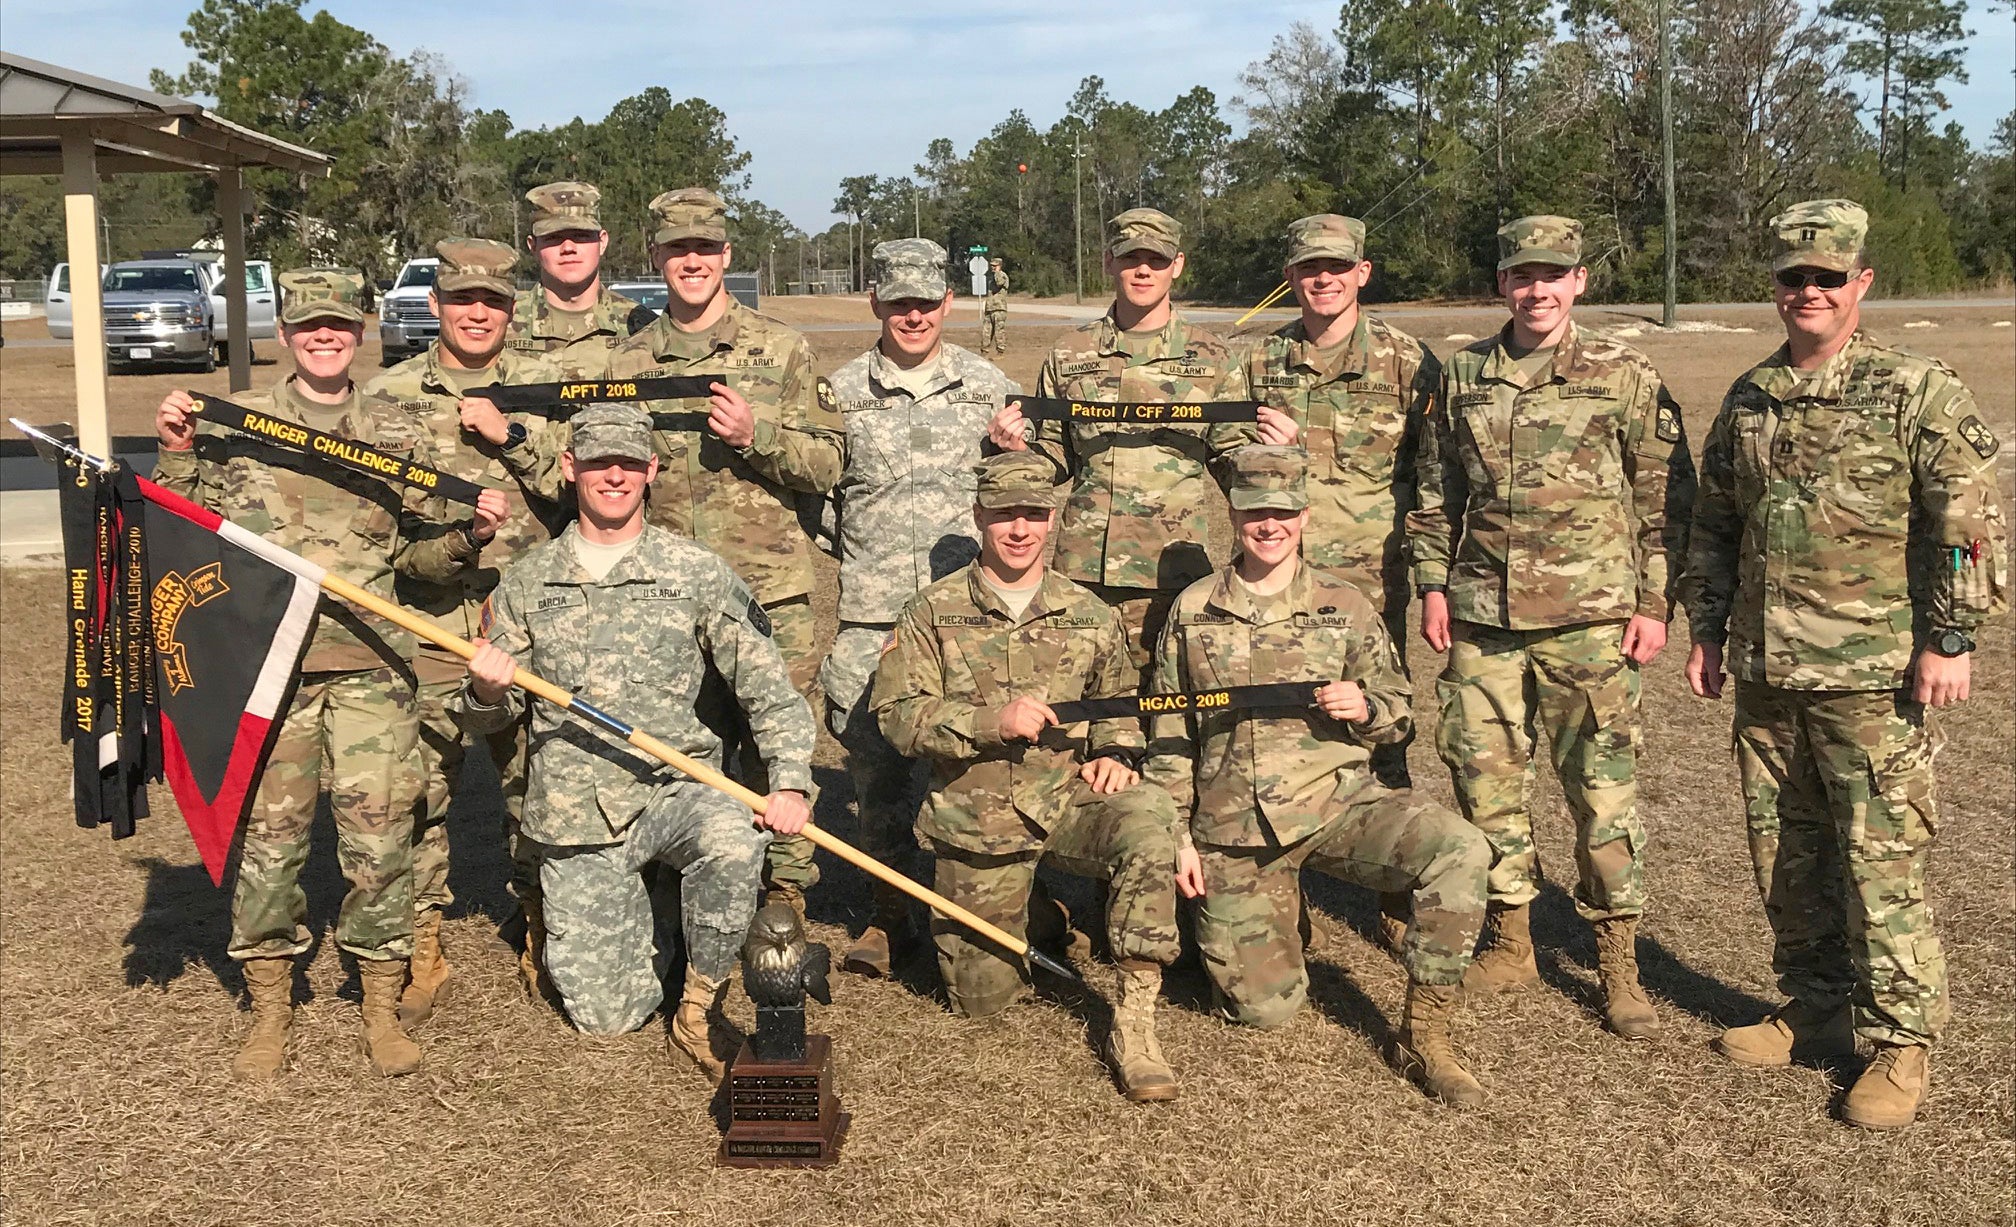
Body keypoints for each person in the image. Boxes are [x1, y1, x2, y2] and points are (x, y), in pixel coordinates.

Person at [1682, 199, 2007, 1129]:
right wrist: (1708, 629)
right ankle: (1815, 1003)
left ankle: (1902, 1040)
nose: (1809, 292)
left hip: (1872, 672)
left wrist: (1950, 637)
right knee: (1785, 851)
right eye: (1794, 277)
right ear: (1775, 287)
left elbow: (1966, 523)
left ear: (1861, 282)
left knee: (1882, 857)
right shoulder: (1749, 397)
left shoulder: (1915, 388)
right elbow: (1715, 525)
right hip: (1767, 671)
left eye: (1828, 277)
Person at [153, 268, 506, 1079]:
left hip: (373, 668)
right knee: (271, 848)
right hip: (267, 671)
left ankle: (379, 1006)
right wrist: (174, 449)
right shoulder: (238, 423)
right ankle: (271, 1009)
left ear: (361, 334)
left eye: (340, 326)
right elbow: (183, 520)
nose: (324, 337)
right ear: (284, 335)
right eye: (309, 325)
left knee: (380, 844)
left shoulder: (394, 431)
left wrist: (468, 539)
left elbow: (417, 557)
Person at [503, 187, 841, 914]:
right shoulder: (627, 359)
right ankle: (676, 894)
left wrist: (761, 436)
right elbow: (586, 466)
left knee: (774, 740)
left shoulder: (780, 349)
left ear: (726, 255)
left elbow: (831, 465)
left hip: (765, 588)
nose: (691, 262)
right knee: (678, 743)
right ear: (655, 258)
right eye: (675, 250)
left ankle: (782, 899)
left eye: (704, 249)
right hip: (656, 597)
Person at [461, 405, 815, 1082]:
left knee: (734, 839)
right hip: (578, 815)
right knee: (608, 1015)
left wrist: (791, 780)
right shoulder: (529, 582)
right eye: (598, 463)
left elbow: (768, 690)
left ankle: (699, 1009)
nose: (614, 476)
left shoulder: (696, 571)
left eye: (629, 463)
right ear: (570, 468)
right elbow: (484, 721)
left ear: (651, 471)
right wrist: (483, 690)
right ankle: (652, 916)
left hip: (676, 791)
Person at [1407, 215, 1695, 1039]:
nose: (1537, 290)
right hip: (1484, 617)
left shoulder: (1625, 372)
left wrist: (1653, 603)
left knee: (1601, 796)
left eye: (1553, 275)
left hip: (1592, 619)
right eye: (1522, 275)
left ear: (1579, 283)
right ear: (1502, 282)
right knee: (1485, 785)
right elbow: (1435, 493)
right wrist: (1434, 587)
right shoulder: (1464, 372)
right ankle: (1511, 937)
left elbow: (1663, 497)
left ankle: (1617, 960)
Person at [1145, 446, 1492, 1106]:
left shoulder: (1346, 604)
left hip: (1340, 804)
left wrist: (1368, 707)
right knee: (1262, 1010)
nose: (1267, 525)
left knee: (1460, 847)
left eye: (1281, 511)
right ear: (1232, 514)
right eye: (1254, 512)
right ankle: (1276, 918)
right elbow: (1169, 734)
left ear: (1303, 515)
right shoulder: (1193, 610)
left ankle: (1426, 1036)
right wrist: (1176, 835)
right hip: (1235, 826)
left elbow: (1399, 709)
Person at [872, 452, 1187, 1102]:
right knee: (979, 1001)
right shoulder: (931, 612)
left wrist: (1118, 750)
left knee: (1149, 818)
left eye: (1034, 514)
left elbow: (1121, 698)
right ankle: (1038, 912)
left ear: (1052, 520)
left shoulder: (1089, 611)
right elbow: (898, 718)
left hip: (1069, 800)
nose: (1020, 528)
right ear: (979, 516)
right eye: (1005, 513)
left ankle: (1135, 1022)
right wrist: (991, 720)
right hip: (976, 818)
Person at [1218, 213, 1441, 952]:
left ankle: (1393, 883)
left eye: (1337, 267)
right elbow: (1225, 460)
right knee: (1278, 726)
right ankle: (1285, 882)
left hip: (1371, 580)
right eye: (1309, 267)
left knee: (1381, 724)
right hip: (1276, 577)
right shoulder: (1258, 362)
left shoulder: (1410, 362)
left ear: (1363, 273)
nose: (1323, 279)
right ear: (1291, 277)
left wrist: (1429, 572)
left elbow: (1435, 477)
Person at [364, 237, 562, 1018]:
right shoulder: (388, 396)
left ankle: (542, 928)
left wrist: (511, 433)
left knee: (541, 785)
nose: (477, 314)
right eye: (461, 301)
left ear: (513, 310)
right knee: (421, 789)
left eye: (494, 302)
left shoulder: (548, 390)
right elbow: (373, 523)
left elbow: (589, 491)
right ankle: (424, 945)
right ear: (437, 306)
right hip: (430, 617)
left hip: (532, 618)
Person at [817, 238, 1018, 975]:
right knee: (877, 771)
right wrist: (867, 562)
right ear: (874, 302)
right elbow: (821, 505)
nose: (912, 315)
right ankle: (888, 912)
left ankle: (995, 907)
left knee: (979, 766)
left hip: (968, 615)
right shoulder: (838, 393)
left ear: (947, 303)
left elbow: (1021, 490)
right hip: (875, 614)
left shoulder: (990, 385)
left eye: (925, 303)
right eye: (897, 302)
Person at [987, 207, 1296, 677]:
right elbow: (1053, 456)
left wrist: (1274, 453)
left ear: (1178, 265)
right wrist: (1016, 451)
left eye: (1157, 258)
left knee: (1166, 709)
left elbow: (1234, 466)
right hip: (1082, 572)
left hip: (1171, 570)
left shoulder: (1214, 358)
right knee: (1080, 710)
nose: (1143, 270)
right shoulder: (1069, 354)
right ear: (1109, 262)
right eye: (1131, 257)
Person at [509, 180, 648, 377]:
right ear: (533, 246)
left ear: (602, 242)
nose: (568, 248)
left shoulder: (640, 326)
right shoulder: (502, 324)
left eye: (580, 236)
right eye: (554, 237)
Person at [980, 256, 1009, 354]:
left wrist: (997, 272)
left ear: (999, 266)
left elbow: (999, 283)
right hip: (990, 308)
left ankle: (1000, 350)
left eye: (995, 266)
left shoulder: (1002, 275)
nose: (992, 268)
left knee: (999, 331)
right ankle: (984, 350)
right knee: (986, 331)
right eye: (991, 266)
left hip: (999, 308)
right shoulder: (991, 278)